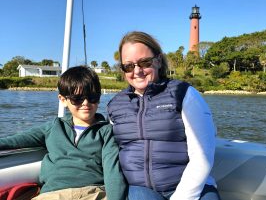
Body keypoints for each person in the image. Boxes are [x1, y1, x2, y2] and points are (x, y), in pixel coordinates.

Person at [107, 31, 221, 200]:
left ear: (158, 61)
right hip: (140, 191)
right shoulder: (115, 105)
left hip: (193, 188)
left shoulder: (184, 94)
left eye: (144, 62)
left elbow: (202, 155)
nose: (137, 71)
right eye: (128, 66)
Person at [0, 66, 127, 200]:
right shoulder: (54, 127)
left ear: (99, 98)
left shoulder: (106, 132)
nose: (86, 103)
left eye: (92, 97)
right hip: (53, 194)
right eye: (77, 98)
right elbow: (17, 140)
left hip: (93, 192)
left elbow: (112, 171)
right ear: (63, 100)